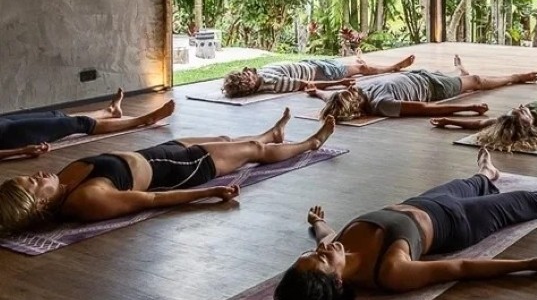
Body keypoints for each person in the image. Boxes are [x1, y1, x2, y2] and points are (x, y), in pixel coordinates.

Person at [247, 149, 537, 300]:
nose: (326, 248)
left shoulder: (333, 246)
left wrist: (318, 224)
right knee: (519, 202)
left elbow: (328, 237)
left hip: (424, 201)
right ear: (337, 280)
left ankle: (486, 171)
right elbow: (460, 267)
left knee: (472, 182)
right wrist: (528, 264)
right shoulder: (389, 271)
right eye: (324, 258)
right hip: (458, 223)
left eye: (314, 251)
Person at [0, 109, 335, 234]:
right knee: (253, 154)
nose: (37, 175)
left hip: (158, 154)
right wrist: (208, 193)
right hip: (182, 169)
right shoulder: (86, 199)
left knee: (225, 139)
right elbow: (151, 200)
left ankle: (271, 135)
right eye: (32, 183)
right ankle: (310, 144)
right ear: (40, 206)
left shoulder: (63, 184)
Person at [307, 55, 537, 120]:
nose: (350, 89)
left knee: (466, 80)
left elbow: (331, 95)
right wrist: (466, 108)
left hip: (417, 75)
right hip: (433, 86)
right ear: (356, 107)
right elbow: (424, 108)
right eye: (349, 95)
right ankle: (516, 77)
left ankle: (461, 73)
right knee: (476, 82)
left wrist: (316, 91)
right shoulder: (382, 105)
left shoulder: (357, 92)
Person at [0, 89, 175, 160]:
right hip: (11, 136)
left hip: (4, 123)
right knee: (79, 124)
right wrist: (23, 150)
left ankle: (110, 112)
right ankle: (144, 120)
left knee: (57, 115)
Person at [221, 54, 415, 98]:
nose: (249, 74)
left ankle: (363, 61)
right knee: (362, 70)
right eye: (247, 79)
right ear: (250, 86)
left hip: (313, 64)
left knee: (357, 66)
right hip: (323, 72)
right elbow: (307, 84)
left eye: (246, 74)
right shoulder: (274, 84)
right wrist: (339, 82)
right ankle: (392, 67)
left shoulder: (263, 75)